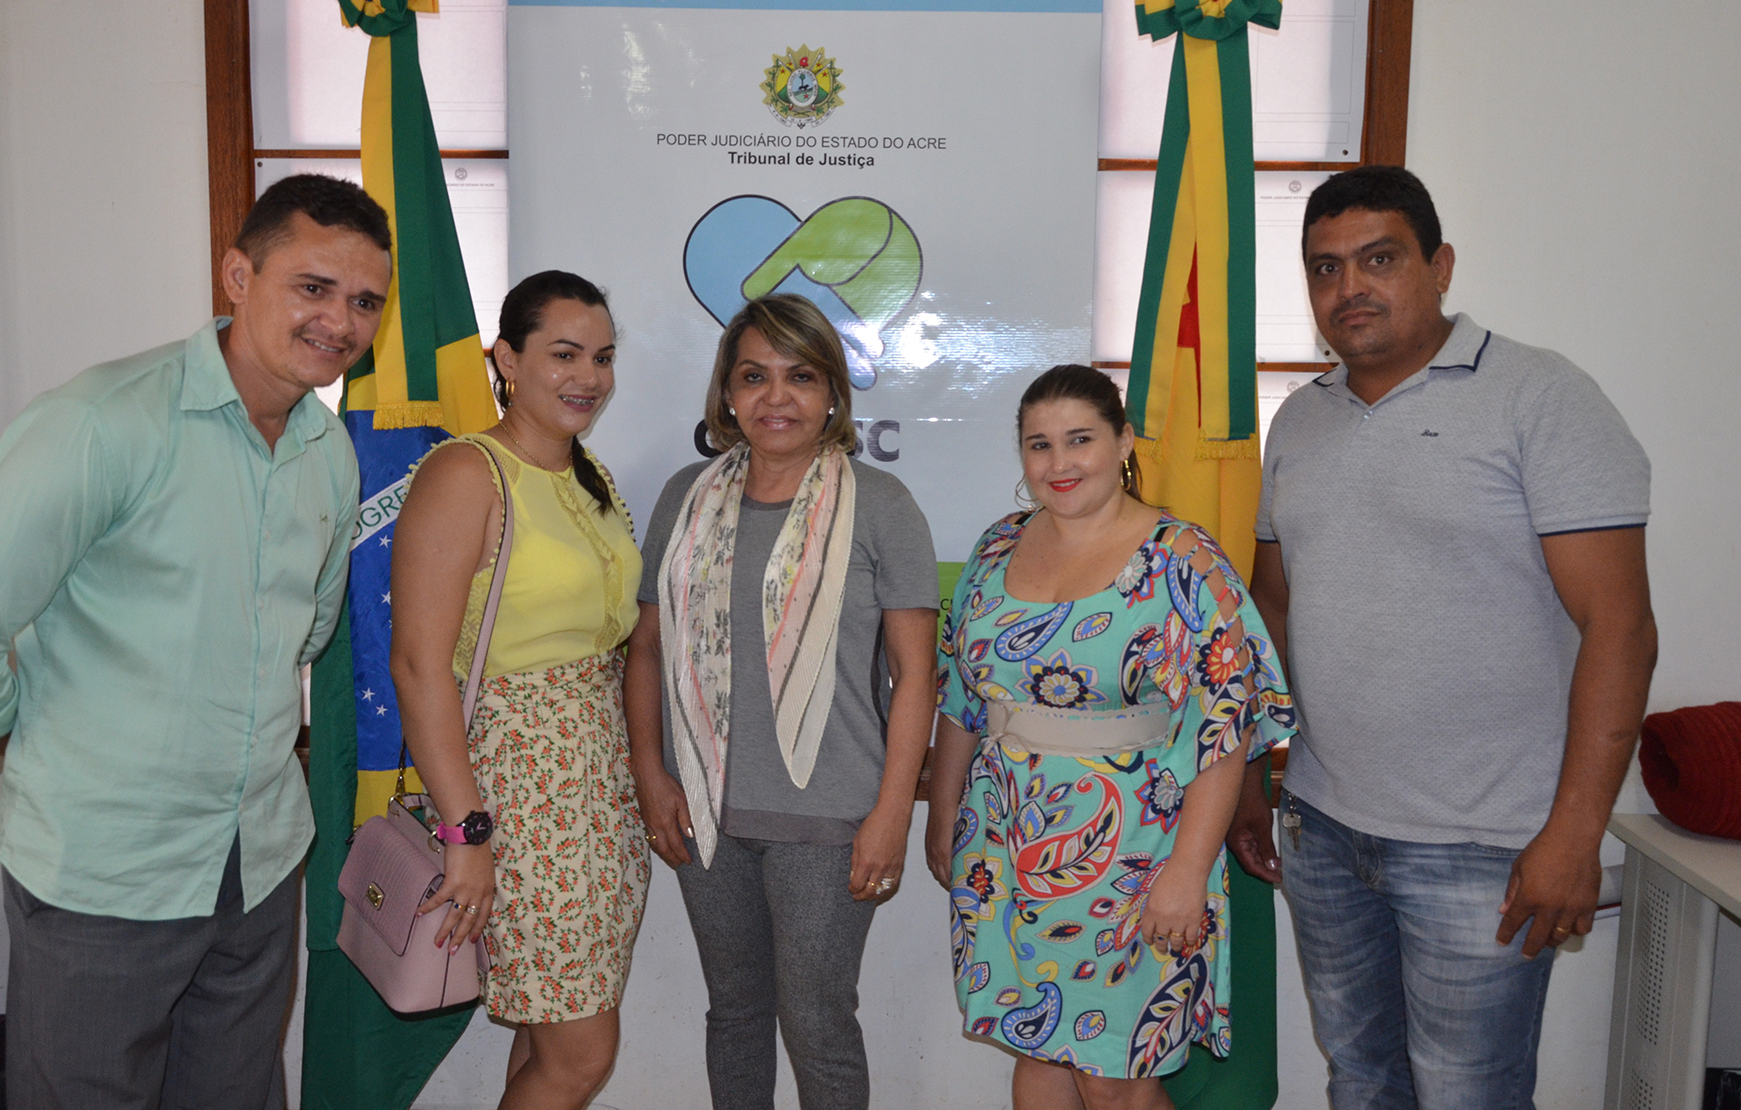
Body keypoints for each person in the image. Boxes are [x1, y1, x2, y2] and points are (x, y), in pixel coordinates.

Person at [1226, 165, 1657, 1110]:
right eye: (1326, 268)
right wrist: (1257, 776)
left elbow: (1620, 628)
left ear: (1441, 265)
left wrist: (1575, 832)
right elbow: (1273, 609)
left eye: (1379, 259)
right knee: (1362, 1081)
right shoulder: (1299, 419)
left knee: (1469, 1095)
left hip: (1487, 844)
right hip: (1326, 829)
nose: (1350, 288)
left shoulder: (1540, 397)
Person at [0, 174, 391, 1109]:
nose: (340, 321)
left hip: (259, 864)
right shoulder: (102, 420)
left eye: (365, 301)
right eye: (313, 287)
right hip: (107, 871)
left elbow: (308, 631)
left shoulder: (329, 453)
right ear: (238, 276)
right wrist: (1, 721)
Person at [924, 364, 1296, 1110]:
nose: (1058, 463)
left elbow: (1225, 729)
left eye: (1080, 439)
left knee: (1115, 1079)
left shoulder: (1183, 559)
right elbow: (963, 699)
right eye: (1039, 444)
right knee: (1037, 1051)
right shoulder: (996, 550)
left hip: (1137, 856)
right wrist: (943, 816)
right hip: (1003, 845)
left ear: (1123, 442)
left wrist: (1188, 872)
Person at [623, 294, 938, 1110]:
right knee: (734, 1014)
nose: (776, 397)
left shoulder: (881, 505)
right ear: (726, 393)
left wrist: (891, 815)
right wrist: (651, 776)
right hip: (705, 810)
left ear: (832, 391)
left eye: (800, 376)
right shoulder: (686, 497)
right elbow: (647, 649)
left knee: (817, 1023)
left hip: (830, 820)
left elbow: (916, 676)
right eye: (754, 376)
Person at [389, 270, 648, 1110]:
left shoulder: (587, 474)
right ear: (506, 358)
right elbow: (418, 666)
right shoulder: (467, 472)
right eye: (564, 354)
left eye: (603, 357)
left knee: (548, 1037)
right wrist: (467, 833)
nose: (589, 377)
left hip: (597, 795)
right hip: (517, 799)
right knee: (581, 1056)